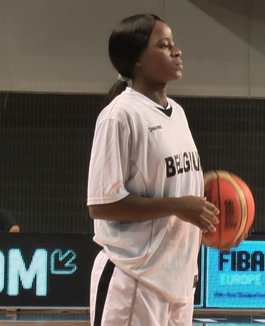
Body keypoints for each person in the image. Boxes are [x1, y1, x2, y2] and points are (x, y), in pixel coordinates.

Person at [87, 14, 241, 326]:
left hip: (180, 281)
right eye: (165, 45)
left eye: (174, 44)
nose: (177, 51)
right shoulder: (120, 115)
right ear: (138, 60)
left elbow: (178, 193)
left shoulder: (178, 114)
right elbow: (101, 204)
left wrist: (216, 221)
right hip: (134, 278)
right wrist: (178, 207)